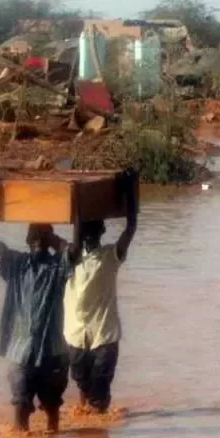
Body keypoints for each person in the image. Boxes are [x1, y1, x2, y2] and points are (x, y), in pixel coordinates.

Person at [0, 191, 72, 433]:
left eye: (44, 234)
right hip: (21, 354)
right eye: (35, 234)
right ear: (28, 239)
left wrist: (57, 239)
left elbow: (74, 252)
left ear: (50, 239)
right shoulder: (16, 264)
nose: (39, 238)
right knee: (19, 420)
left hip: (53, 356)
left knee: (53, 425)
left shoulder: (58, 267)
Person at [63, 174, 139, 414]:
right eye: (87, 231)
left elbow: (131, 228)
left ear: (102, 231)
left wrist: (130, 196)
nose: (91, 235)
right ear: (82, 234)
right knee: (83, 389)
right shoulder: (70, 257)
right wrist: (77, 202)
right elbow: (69, 240)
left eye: (94, 230)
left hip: (104, 335)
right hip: (76, 335)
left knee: (100, 397)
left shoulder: (110, 256)